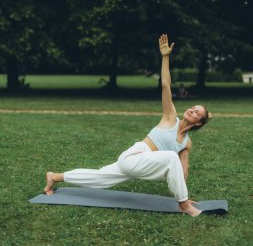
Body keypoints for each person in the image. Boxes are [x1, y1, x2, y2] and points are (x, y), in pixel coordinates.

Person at [44, 34, 212, 217]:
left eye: (197, 113)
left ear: (199, 122)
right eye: (193, 107)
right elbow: (166, 85)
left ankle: (54, 177)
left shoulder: (186, 143)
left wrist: (183, 191)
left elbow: (184, 172)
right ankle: (184, 206)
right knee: (171, 158)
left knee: (99, 178)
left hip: (143, 165)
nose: (192, 111)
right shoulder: (171, 117)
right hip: (135, 156)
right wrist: (165, 57)